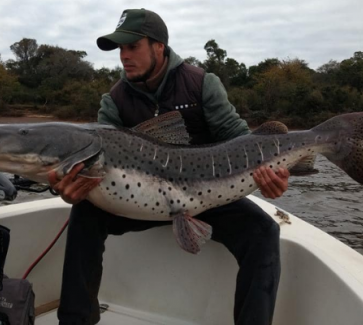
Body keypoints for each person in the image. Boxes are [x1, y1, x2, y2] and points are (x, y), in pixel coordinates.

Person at [47, 8, 290, 325]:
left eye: (132, 46)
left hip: (206, 197)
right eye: (120, 49)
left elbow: (241, 140)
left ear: (159, 46)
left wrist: (270, 176)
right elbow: (94, 162)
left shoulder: (202, 84)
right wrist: (70, 188)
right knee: (83, 213)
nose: (124, 56)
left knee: (263, 231)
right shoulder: (114, 100)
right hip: (133, 201)